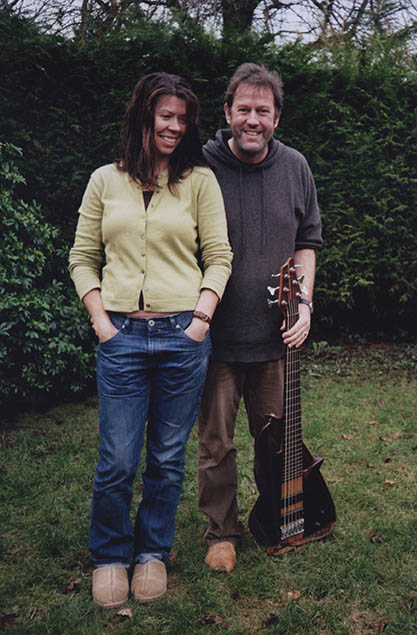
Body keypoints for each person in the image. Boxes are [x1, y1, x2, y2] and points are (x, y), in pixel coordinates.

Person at [69, 72, 232, 607]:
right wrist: (102, 322)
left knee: (165, 456)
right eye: (166, 116)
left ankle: (152, 554)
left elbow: (219, 256)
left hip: (183, 336)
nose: (175, 127)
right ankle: (111, 554)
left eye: (183, 119)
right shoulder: (104, 181)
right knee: (118, 458)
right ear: (143, 116)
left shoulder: (200, 181)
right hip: (121, 338)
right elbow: (82, 257)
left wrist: (200, 319)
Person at [197, 63, 322, 573]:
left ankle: (277, 517)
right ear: (227, 112)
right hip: (216, 339)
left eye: (263, 111)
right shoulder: (200, 166)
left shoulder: (295, 167)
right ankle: (221, 532)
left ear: (277, 118)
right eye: (244, 109)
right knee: (216, 444)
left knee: (278, 443)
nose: (253, 120)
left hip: (276, 340)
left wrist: (304, 303)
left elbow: (308, 240)